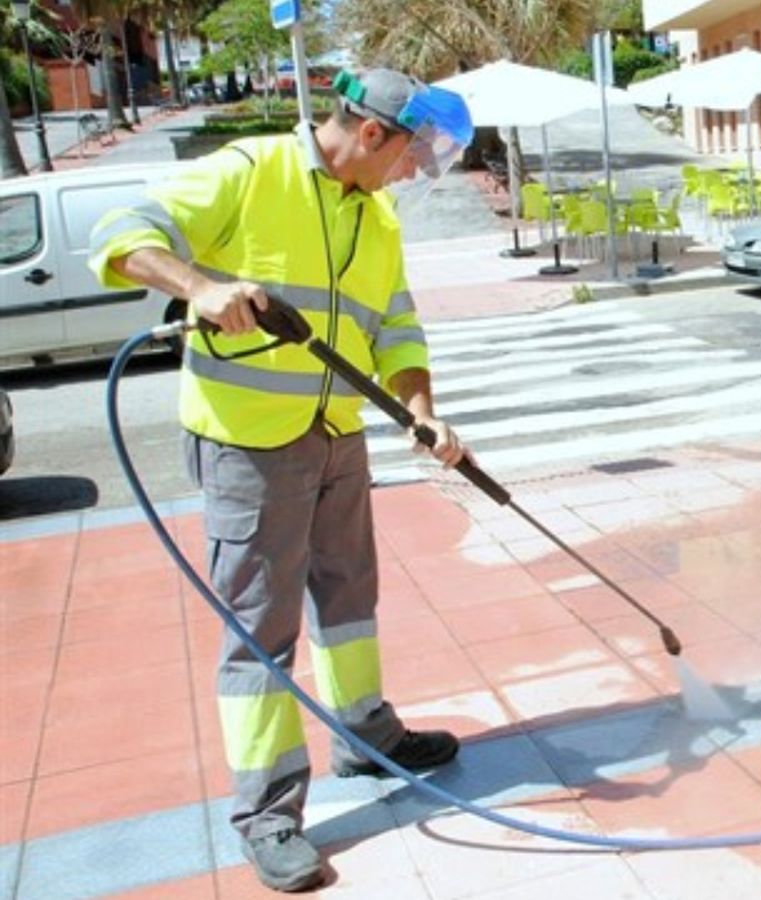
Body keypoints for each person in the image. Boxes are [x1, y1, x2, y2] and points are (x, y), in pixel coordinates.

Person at [88, 68, 476, 892]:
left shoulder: (375, 218)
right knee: (260, 629)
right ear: (372, 135)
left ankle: (367, 736)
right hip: (249, 446)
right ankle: (268, 814)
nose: (413, 174)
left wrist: (422, 410)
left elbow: (396, 324)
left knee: (348, 598)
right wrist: (200, 285)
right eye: (411, 156)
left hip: (338, 438)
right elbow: (121, 232)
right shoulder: (249, 172)